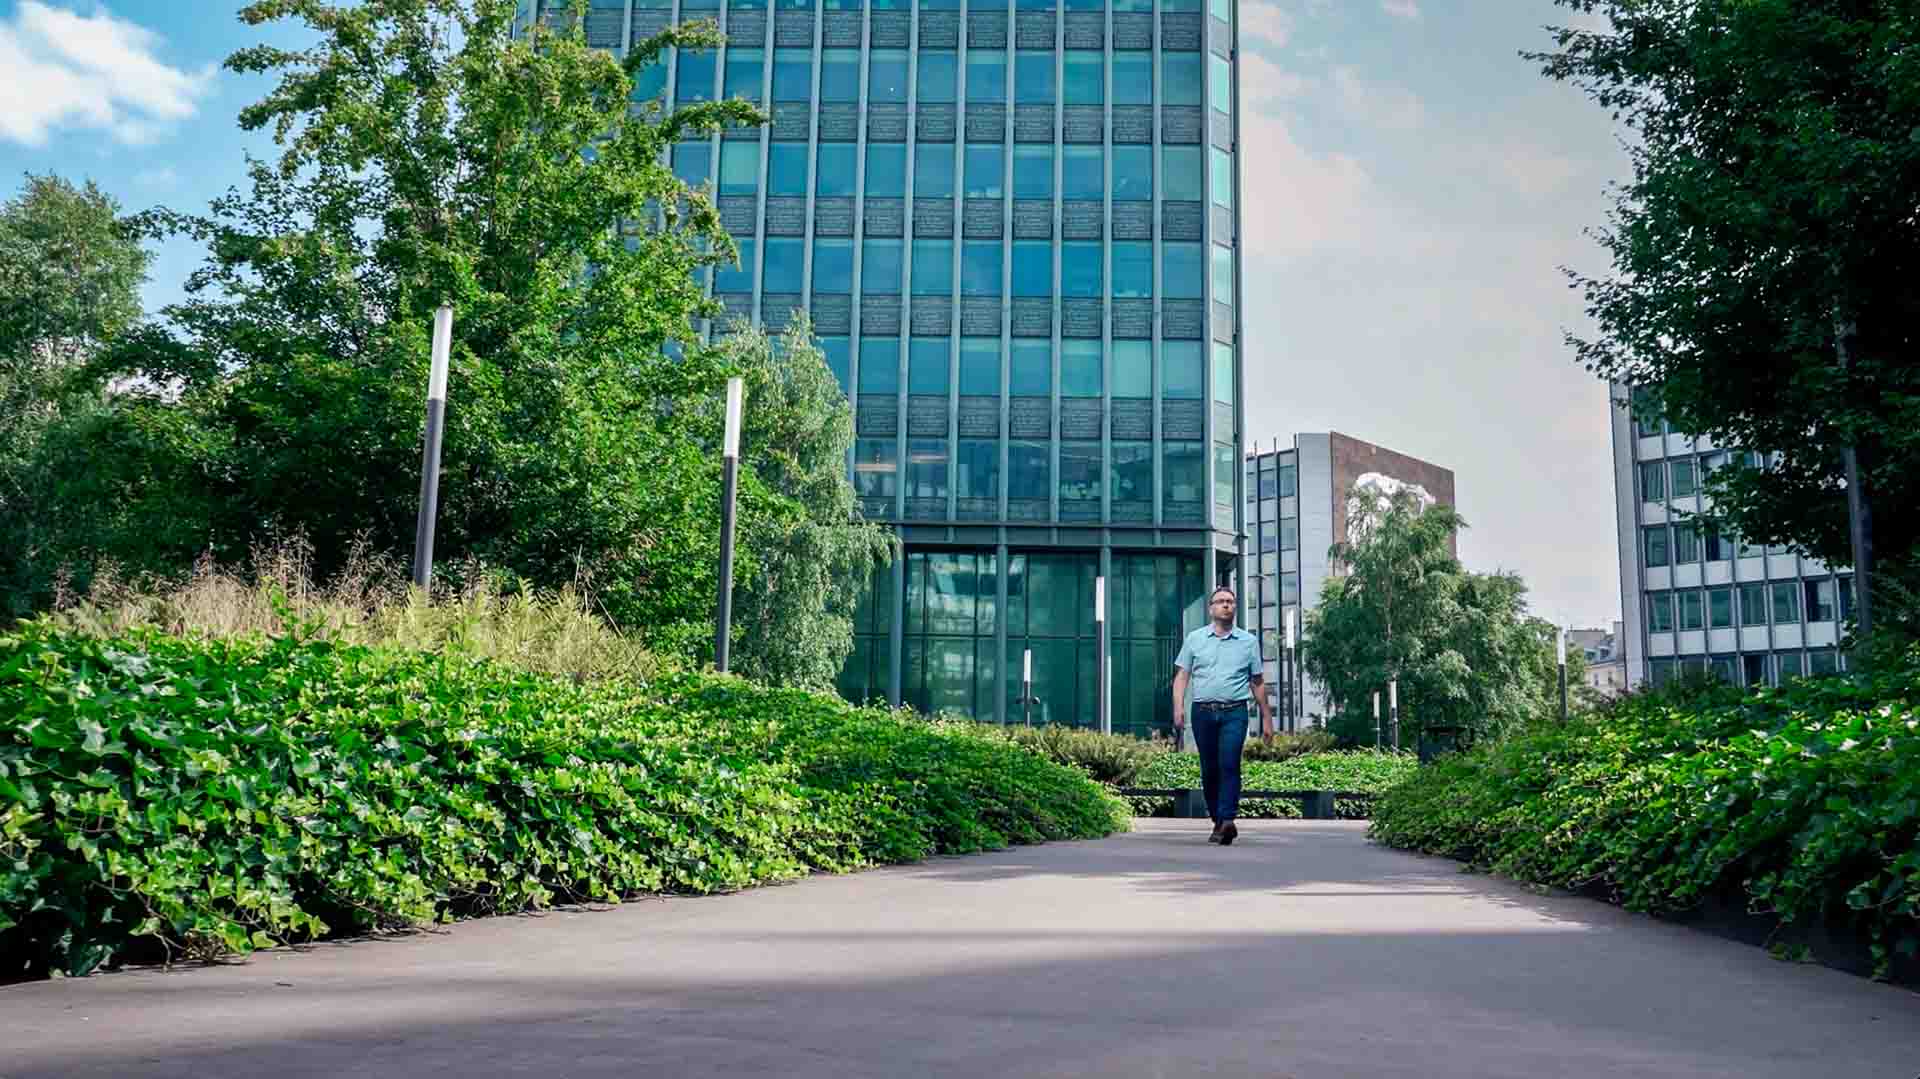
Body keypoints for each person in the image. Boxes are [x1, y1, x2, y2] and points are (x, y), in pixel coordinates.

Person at [1171, 586, 1275, 845]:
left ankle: (1227, 818)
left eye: (1230, 601)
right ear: (1211, 608)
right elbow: (1182, 676)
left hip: (1235, 712)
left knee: (1229, 763)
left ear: (1235, 608)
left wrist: (1267, 718)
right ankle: (1218, 821)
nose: (1226, 605)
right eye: (1221, 601)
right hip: (1203, 712)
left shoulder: (1248, 642)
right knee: (1209, 769)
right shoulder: (1195, 639)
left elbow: (1258, 681)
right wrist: (1178, 707)